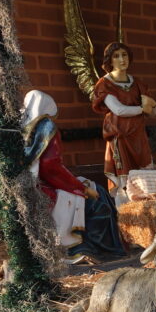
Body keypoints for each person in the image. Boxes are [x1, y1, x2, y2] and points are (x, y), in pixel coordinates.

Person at [22, 90, 126, 263]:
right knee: (97, 201)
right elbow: (51, 167)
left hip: (36, 184)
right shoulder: (46, 128)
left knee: (93, 190)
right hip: (46, 187)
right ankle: (81, 248)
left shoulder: (22, 127)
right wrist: (81, 188)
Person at [92, 42, 156, 205]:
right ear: (109, 60)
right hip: (120, 137)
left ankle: (147, 208)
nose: (122, 59)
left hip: (138, 136)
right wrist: (142, 109)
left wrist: (152, 106)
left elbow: (154, 110)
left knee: (145, 178)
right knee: (124, 182)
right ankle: (125, 214)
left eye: (125, 55)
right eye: (116, 56)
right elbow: (119, 110)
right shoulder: (105, 84)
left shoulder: (137, 84)